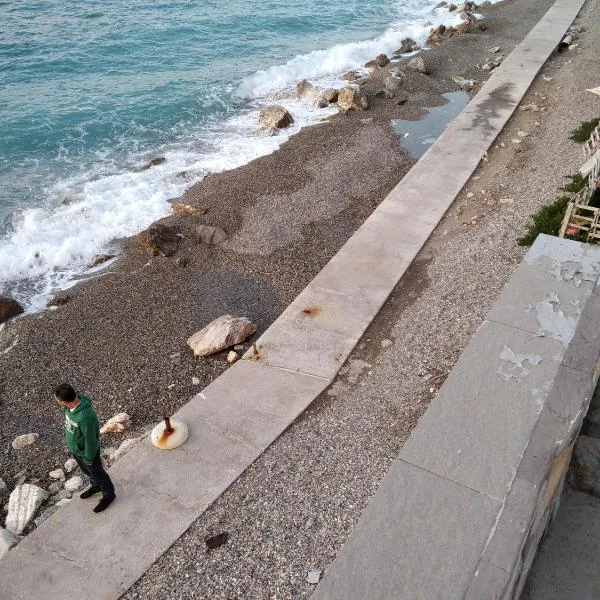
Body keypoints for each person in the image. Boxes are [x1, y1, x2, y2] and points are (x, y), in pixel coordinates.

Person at [54, 383, 116, 513]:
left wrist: (89, 457)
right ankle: (96, 486)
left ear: (63, 401)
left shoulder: (85, 416)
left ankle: (109, 495)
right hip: (77, 450)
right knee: (88, 472)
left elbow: (91, 439)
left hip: (87, 452)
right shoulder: (68, 408)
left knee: (98, 473)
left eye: (58, 400)